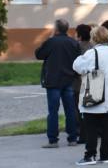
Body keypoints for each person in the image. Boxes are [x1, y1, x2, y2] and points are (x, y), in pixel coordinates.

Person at [72, 25, 108, 165]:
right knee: (107, 127)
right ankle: (105, 155)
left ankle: (90, 155)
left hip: (95, 92)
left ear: (94, 38)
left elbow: (77, 66)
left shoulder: (92, 53)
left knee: (91, 127)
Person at [35, 18, 81, 149]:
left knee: (53, 111)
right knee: (70, 110)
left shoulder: (51, 42)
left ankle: (53, 140)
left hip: (53, 80)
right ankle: (72, 138)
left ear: (55, 29)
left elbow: (39, 54)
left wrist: (49, 38)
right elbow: (78, 60)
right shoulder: (73, 42)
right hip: (69, 79)